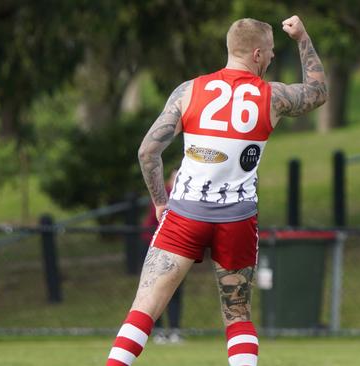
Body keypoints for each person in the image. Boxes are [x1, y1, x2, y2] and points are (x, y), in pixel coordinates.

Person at [105, 15, 326, 366]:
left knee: (144, 310)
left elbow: (148, 151)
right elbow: (317, 93)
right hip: (236, 218)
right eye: (269, 53)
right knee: (237, 317)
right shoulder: (273, 96)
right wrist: (301, 38)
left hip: (184, 213)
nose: (270, 60)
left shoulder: (189, 90)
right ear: (256, 54)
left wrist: (161, 203)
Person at [140, 169, 183, 344]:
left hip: (178, 247)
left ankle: (174, 331)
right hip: (155, 245)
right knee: (154, 290)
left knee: (175, 291)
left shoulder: (188, 195)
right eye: (176, 176)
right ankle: (157, 331)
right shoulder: (163, 194)